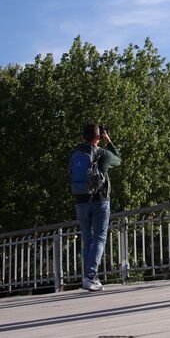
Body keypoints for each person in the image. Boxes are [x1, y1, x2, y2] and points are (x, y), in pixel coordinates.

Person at [69, 124, 121, 291]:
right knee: (99, 238)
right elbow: (118, 159)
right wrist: (109, 141)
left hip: (80, 200)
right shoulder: (102, 154)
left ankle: (89, 277)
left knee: (87, 239)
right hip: (99, 201)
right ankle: (90, 277)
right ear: (98, 137)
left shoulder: (76, 154)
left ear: (83, 137)